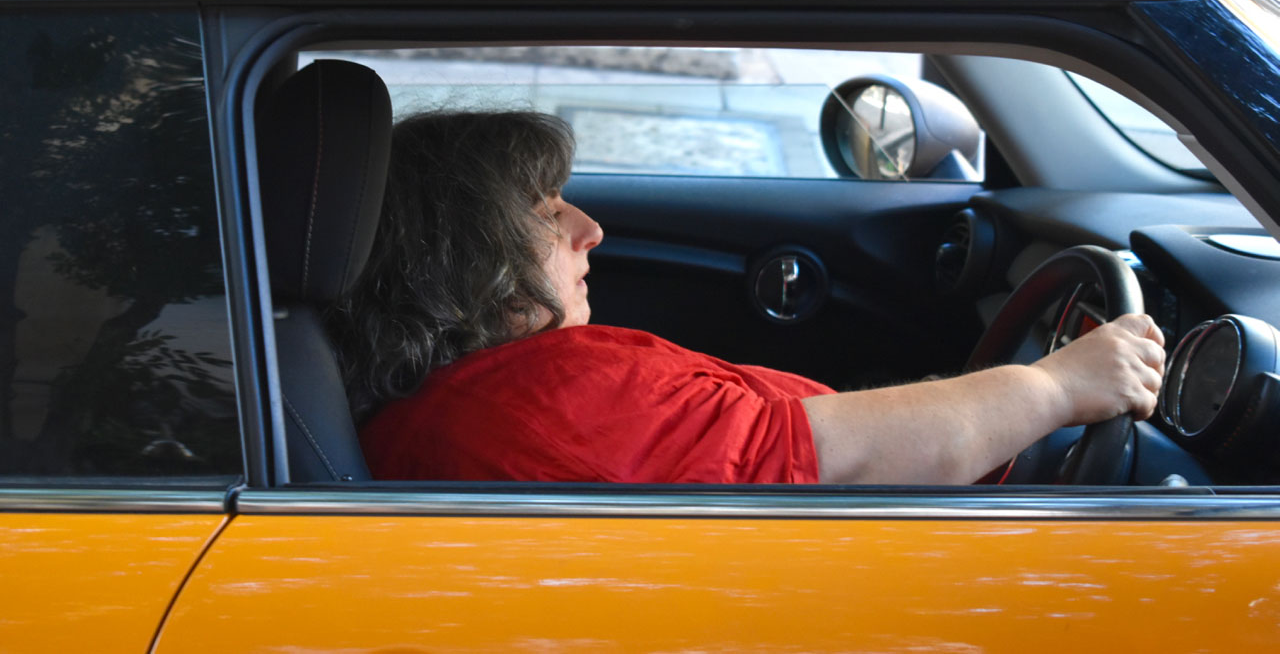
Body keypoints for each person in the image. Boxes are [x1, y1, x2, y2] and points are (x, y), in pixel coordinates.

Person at [327, 110, 1166, 485]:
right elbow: (851, 459)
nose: (590, 229)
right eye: (548, 215)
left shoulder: (452, 405)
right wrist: (1056, 387)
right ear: (467, 255)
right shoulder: (560, 398)